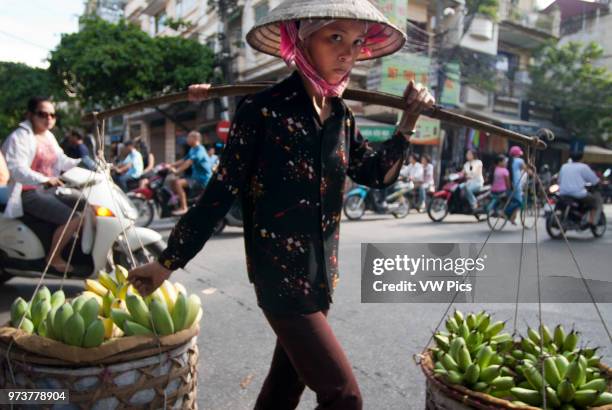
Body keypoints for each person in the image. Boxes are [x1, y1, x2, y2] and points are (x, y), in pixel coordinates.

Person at [127, 3, 433, 409]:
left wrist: (407, 125)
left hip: (323, 277)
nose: (348, 53)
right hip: (281, 280)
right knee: (344, 396)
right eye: (335, 37)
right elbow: (219, 195)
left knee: (284, 389)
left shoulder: (340, 114)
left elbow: (376, 173)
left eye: (357, 42)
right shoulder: (262, 110)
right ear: (301, 39)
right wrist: (167, 263)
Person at [2, 97, 82, 272]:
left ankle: (76, 251)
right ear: (30, 115)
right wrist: (44, 179)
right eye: (42, 114)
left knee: (84, 202)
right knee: (73, 217)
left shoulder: (48, 137)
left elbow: (63, 161)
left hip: (48, 190)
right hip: (26, 192)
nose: (48, 119)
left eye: (53, 115)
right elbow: (16, 169)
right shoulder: (20, 137)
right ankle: (53, 257)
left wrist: (87, 164)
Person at [168, 131, 212, 216]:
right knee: (172, 182)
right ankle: (180, 201)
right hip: (194, 178)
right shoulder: (192, 149)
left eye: (189, 137)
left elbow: (189, 162)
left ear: (195, 139)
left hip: (202, 180)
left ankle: (184, 207)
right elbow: (184, 160)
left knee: (177, 183)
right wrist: (169, 165)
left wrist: (177, 171)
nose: (187, 139)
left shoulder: (200, 150)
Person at [558, 151, 601, 226]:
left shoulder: (564, 166)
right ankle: (591, 222)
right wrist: (597, 183)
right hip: (578, 194)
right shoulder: (583, 167)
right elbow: (594, 180)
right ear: (581, 159)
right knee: (594, 201)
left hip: (563, 192)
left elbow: (559, 180)